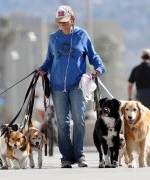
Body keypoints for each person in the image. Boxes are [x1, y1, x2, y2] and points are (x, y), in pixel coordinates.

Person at [37, 5, 105, 168]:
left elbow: (93, 56)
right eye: (59, 22)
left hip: (77, 86)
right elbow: (49, 60)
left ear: (72, 19)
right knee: (62, 123)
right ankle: (66, 157)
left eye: (65, 22)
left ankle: (79, 155)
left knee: (79, 120)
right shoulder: (54, 38)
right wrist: (42, 69)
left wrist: (99, 68)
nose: (62, 25)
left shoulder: (82, 35)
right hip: (58, 87)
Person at [128, 48, 150, 114]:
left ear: (141, 57)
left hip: (140, 97)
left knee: (141, 116)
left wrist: (129, 98)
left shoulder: (136, 69)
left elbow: (130, 86)